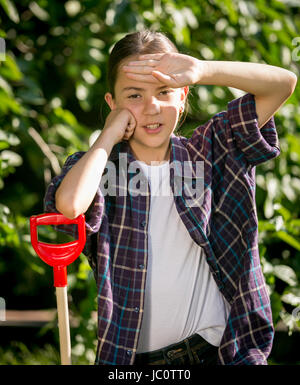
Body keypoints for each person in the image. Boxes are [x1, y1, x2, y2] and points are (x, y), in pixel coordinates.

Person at [44, 30, 297, 365]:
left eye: (164, 91)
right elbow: (70, 205)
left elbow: (283, 83)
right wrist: (108, 134)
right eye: (134, 95)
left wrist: (203, 69)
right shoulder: (99, 168)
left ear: (183, 96)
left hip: (219, 351)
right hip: (135, 361)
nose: (152, 108)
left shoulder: (210, 149)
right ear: (112, 103)